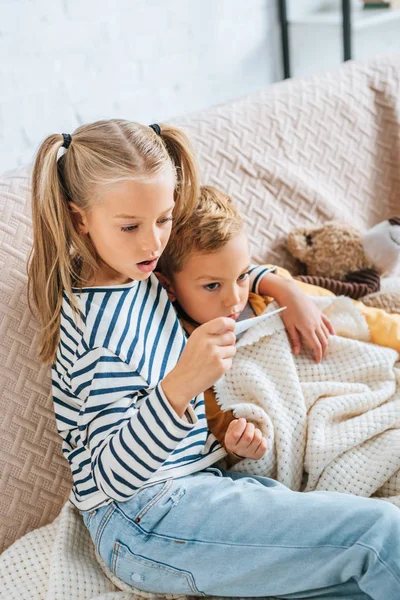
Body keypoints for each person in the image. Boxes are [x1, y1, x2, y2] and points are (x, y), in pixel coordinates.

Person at [28, 120, 400, 599]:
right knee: (382, 535)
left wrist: (275, 281)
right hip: (144, 520)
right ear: (81, 220)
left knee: (359, 585)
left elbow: (211, 264)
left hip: (198, 489)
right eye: (131, 226)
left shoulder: (139, 268)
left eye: (163, 219)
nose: (152, 242)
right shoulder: (96, 329)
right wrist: (180, 386)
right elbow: (111, 478)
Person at [155, 185, 400, 463]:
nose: (234, 298)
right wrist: (240, 445)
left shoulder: (271, 292)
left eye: (242, 276)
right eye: (212, 286)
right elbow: (218, 427)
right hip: (311, 441)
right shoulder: (189, 355)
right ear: (168, 287)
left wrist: (284, 288)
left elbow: (358, 316)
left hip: (363, 387)